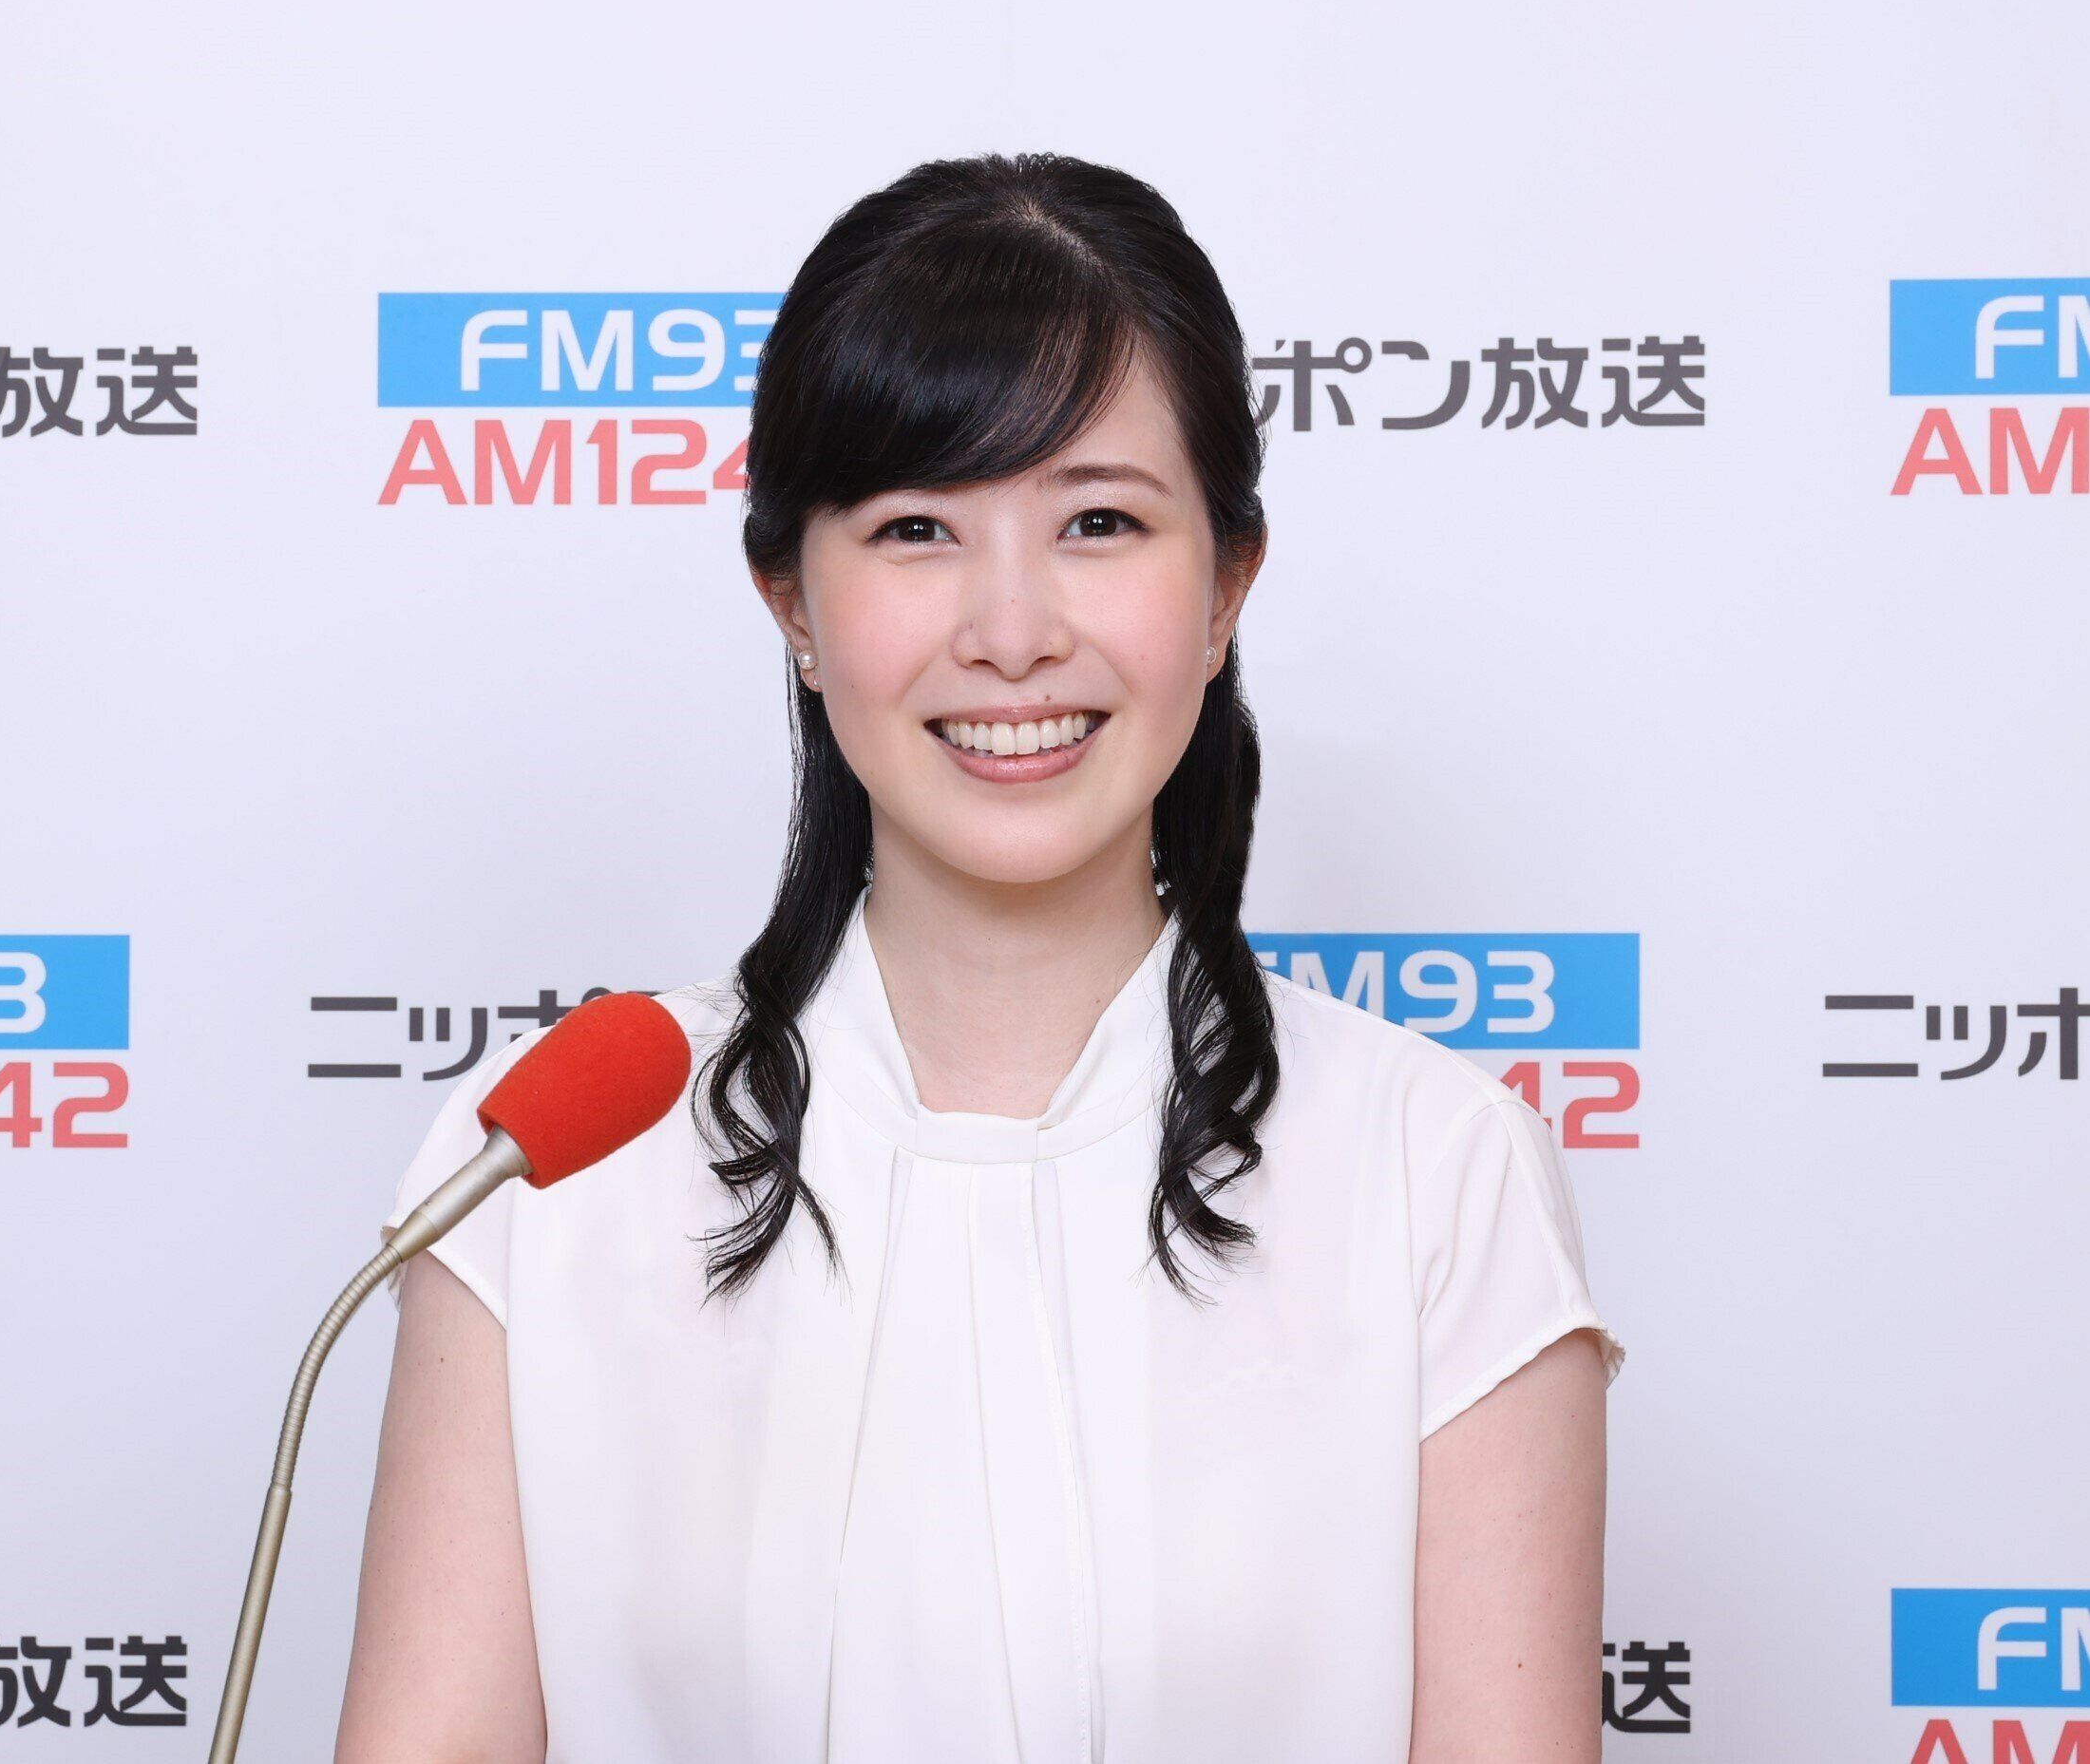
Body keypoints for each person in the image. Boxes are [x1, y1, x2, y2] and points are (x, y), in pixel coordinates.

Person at [335, 151, 1625, 1764]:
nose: (1012, 633)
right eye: (918, 528)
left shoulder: (1437, 1173)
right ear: (792, 600)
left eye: (1098, 521)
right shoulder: (548, 1174)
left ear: (1226, 585)